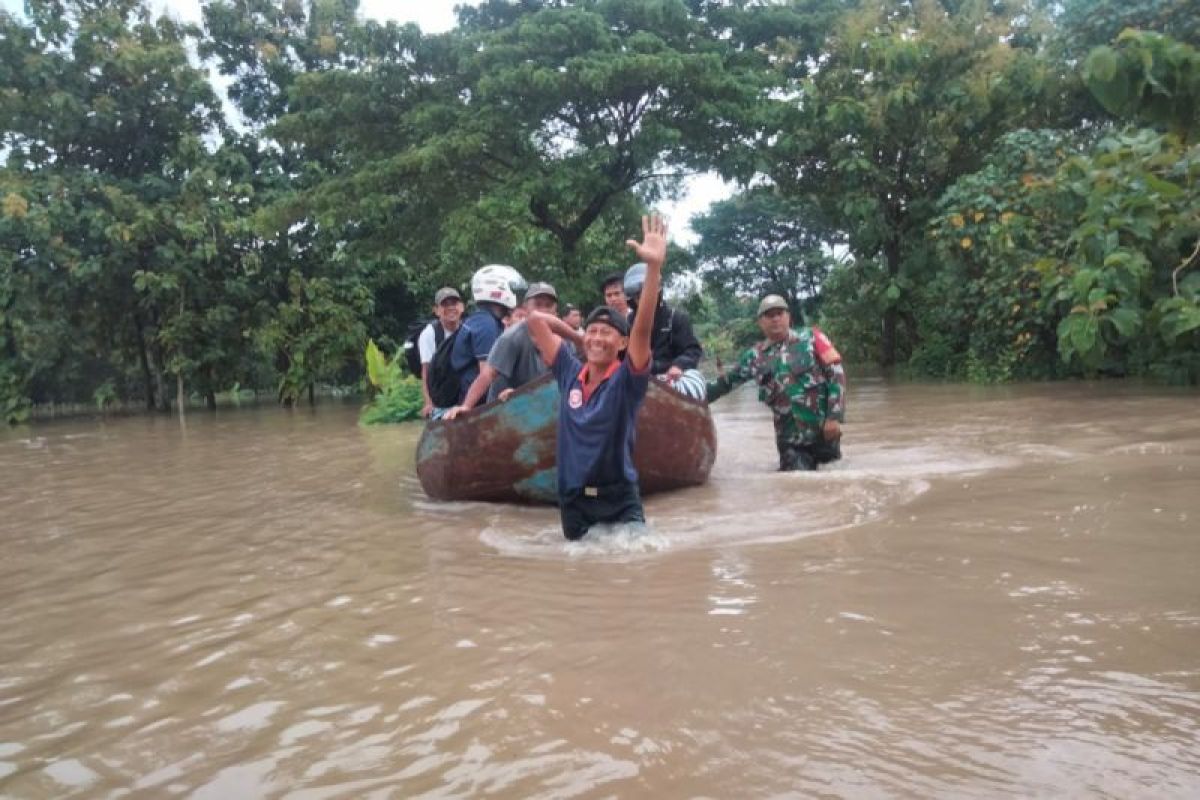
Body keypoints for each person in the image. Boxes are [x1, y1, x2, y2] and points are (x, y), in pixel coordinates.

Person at [527, 215, 667, 540]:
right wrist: (583, 341)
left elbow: (642, 329)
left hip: (619, 498)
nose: (598, 337)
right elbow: (535, 319)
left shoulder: (627, 381)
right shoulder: (569, 372)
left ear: (622, 343)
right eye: (593, 331)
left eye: (607, 333)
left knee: (636, 571)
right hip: (574, 498)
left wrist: (653, 269)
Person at [706, 294, 846, 471]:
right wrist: (691, 397)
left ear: (789, 316)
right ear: (760, 322)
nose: (775, 319)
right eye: (769, 315)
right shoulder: (754, 357)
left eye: (779, 313)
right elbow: (725, 383)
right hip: (790, 442)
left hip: (824, 433)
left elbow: (837, 375)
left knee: (834, 483)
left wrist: (834, 418)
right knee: (797, 488)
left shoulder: (812, 338)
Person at [443, 282, 582, 418]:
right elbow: (487, 374)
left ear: (556, 311)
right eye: (538, 304)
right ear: (526, 308)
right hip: (506, 407)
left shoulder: (566, 341)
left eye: (548, 305)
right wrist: (467, 406)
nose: (544, 310)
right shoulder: (512, 337)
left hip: (543, 406)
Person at [622, 262, 705, 399]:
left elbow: (692, 350)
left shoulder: (676, 318)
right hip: (640, 380)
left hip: (673, 377)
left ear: (658, 292)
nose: (644, 300)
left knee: (694, 380)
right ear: (633, 300)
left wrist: (679, 365)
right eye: (638, 297)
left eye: (647, 293)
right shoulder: (628, 323)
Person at [448, 264, 525, 405]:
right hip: (478, 404)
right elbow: (488, 373)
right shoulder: (486, 325)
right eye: (512, 289)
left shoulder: (483, 320)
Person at [417, 287, 465, 419]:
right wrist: (428, 402)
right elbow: (426, 371)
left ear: (462, 307)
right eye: (445, 304)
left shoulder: (468, 330)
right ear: (437, 311)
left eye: (454, 303)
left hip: (462, 393)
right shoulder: (429, 334)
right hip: (442, 396)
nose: (451, 308)